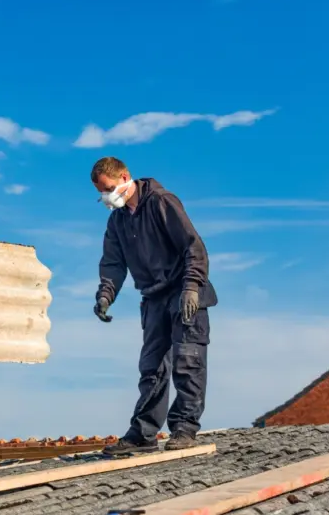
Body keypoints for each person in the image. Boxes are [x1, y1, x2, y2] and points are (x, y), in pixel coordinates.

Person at [90, 156, 217, 455]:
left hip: (185, 291)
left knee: (188, 361)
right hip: (153, 297)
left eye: (109, 189)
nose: (107, 197)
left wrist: (191, 287)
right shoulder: (118, 221)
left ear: (125, 178)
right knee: (152, 367)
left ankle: (184, 429)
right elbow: (113, 262)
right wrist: (105, 295)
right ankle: (144, 433)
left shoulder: (162, 202)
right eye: (101, 193)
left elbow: (193, 246)